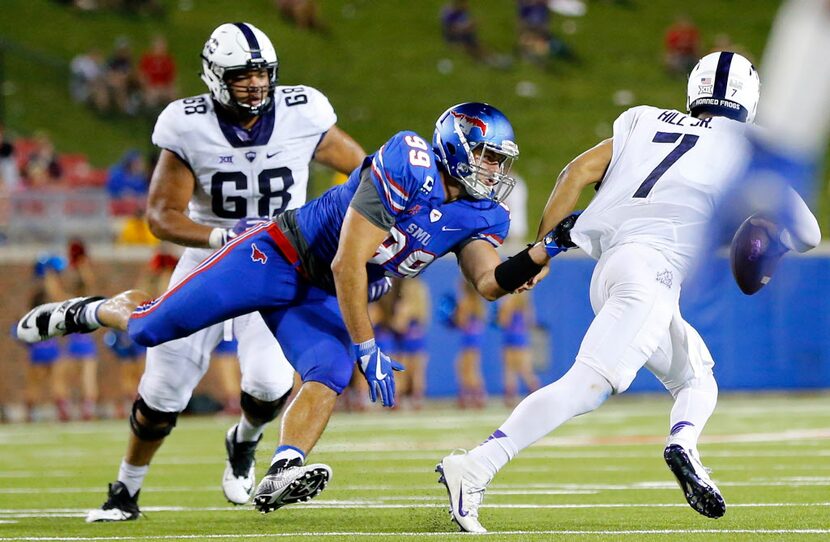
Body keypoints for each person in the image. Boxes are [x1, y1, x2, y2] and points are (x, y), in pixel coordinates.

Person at [19, 101, 573, 515]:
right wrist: (367, 345)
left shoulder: (481, 214)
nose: (494, 169)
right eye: (485, 154)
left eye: (499, 159)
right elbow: (346, 264)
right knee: (152, 329)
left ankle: (282, 468)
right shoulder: (409, 161)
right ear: (454, 144)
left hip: (319, 294)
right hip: (277, 255)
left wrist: (542, 250)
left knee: (325, 373)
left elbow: (490, 282)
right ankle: (96, 310)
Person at [435, 51, 821, 533]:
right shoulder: (745, 145)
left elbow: (574, 173)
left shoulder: (643, 120)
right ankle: (475, 466)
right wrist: (768, 233)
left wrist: (541, 251)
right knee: (588, 385)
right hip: (652, 274)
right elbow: (807, 231)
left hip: (613, 267)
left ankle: (684, 445)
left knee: (697, 376)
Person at [56, 22, 365, 522]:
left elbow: (365, 174)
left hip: (284, 259)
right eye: (243, 75)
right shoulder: (187, 124)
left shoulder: (304, 112)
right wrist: (223, 235)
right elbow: (160, 215)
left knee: (267, 385)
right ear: (215, 76)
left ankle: (244, 439)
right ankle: (124, 492)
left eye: (263, 74)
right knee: (163, 389)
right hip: (213, 257)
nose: (256, 85)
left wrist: (367, 232)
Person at [388, 278, 430, 410]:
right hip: (419, 341)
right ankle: (417, 399)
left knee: (401, 372)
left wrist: (387, 323)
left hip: (405, 343)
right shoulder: (421, 303)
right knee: (418, 373)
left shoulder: (404, 304)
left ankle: (397, 399)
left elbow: (400, 326)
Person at [497, 290, 539, 407]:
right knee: (525, 370)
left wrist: (500, 310)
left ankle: (510, 399)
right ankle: (535, 395)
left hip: (511, 337)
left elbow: (504, 320)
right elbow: (530, 321)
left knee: (510, 370)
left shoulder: (509, 300)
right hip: (521, 337)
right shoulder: (525, 300)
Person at [453, 279, 487, 409]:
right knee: (472, 367)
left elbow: (461, 321)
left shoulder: (465, 302)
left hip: (468, 338)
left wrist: (453, 316)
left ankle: (472, 397)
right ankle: (476, 396)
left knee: (465, 367)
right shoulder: (478, 302)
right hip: (476, 337)